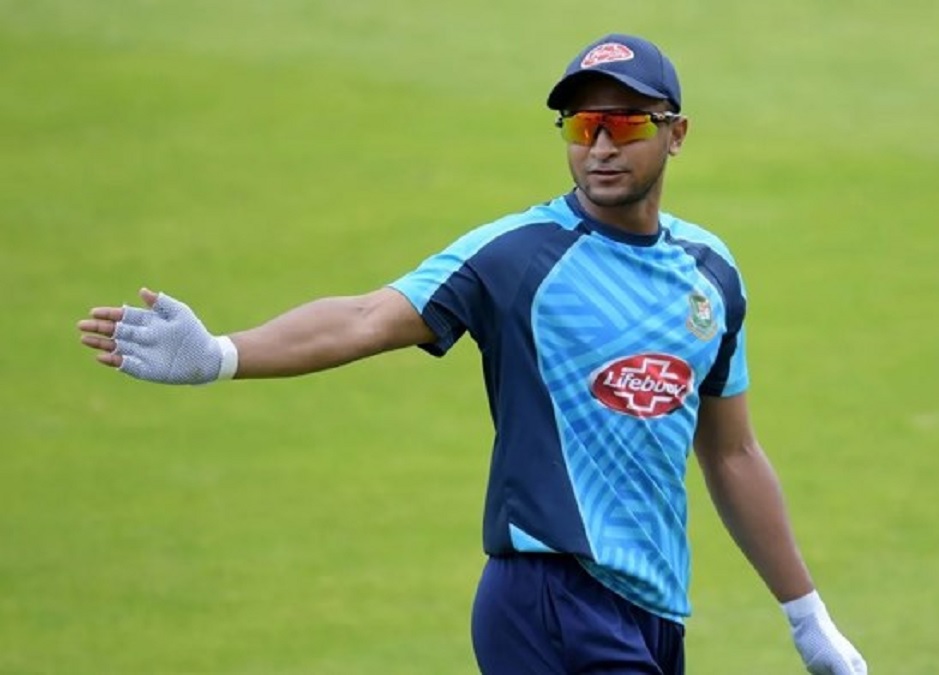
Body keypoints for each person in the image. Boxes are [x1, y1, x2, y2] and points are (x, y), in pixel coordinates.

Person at [76, 33, 868, 675]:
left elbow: (732, 454)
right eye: (580, 126)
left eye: (624, 125)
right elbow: (366, 316)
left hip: (656, 614)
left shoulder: (710, 275)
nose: (599, 146)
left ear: (677, 133)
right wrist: (222, 353)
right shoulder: (518, 256)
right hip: (549, 599)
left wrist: (807, 616)